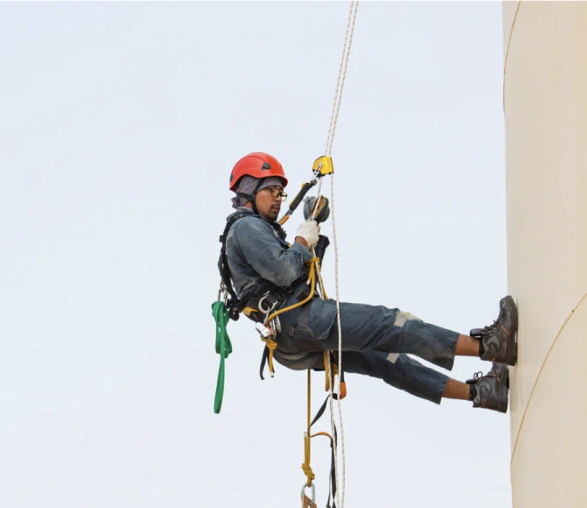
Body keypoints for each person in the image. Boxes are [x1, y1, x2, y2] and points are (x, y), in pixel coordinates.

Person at [219, 152, 517, 412]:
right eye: (271, 190)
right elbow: (284, 272)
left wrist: (313, 233)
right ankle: (489, 346)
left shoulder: (260, 232)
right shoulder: (246, 226)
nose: (278, 198)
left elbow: (301, 278)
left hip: (293, 335)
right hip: (298, 320)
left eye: (280, 193)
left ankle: (483, 394)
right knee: (391, 324)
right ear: (249, 190)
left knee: (387, 360)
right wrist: (299, 240)